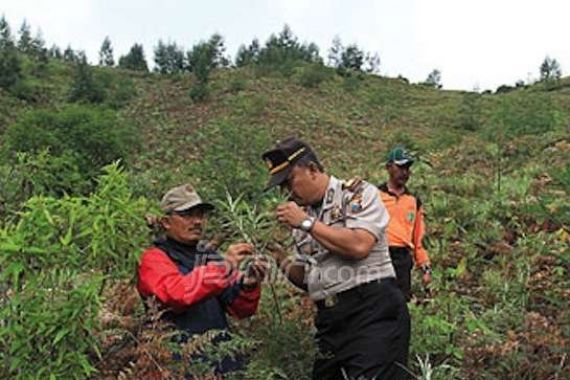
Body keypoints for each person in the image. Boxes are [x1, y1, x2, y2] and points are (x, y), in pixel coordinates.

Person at [262, 137, 410, 380]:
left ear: (312, 169)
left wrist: (307, 223)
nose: (287, 192)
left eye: (289, 182)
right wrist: (279, 257)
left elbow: (359, 245)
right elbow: (311, 279)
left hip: (372, 311)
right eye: (281, 187)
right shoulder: (302, 217)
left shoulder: (356, 193)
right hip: (331, 321)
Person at [137, 184, 267, 375]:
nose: (197, 221)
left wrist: (248, 284)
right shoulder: (153, 258)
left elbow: (241, 310)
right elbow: (177, 295)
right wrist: (224, 267)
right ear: (166, 222)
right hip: (178, 365)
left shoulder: (208, 256)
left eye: (200, 215)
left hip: (221, 362)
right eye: (187, 215)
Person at [378, 147, 432, 301]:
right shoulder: (375, 195)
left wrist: (425, 267)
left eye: (407, 168)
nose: (404, 172)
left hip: (402, 259)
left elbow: (418, 239)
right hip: (378, 255)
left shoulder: (413, 201)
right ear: (389, 167)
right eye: (400, 167)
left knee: (401, 303)